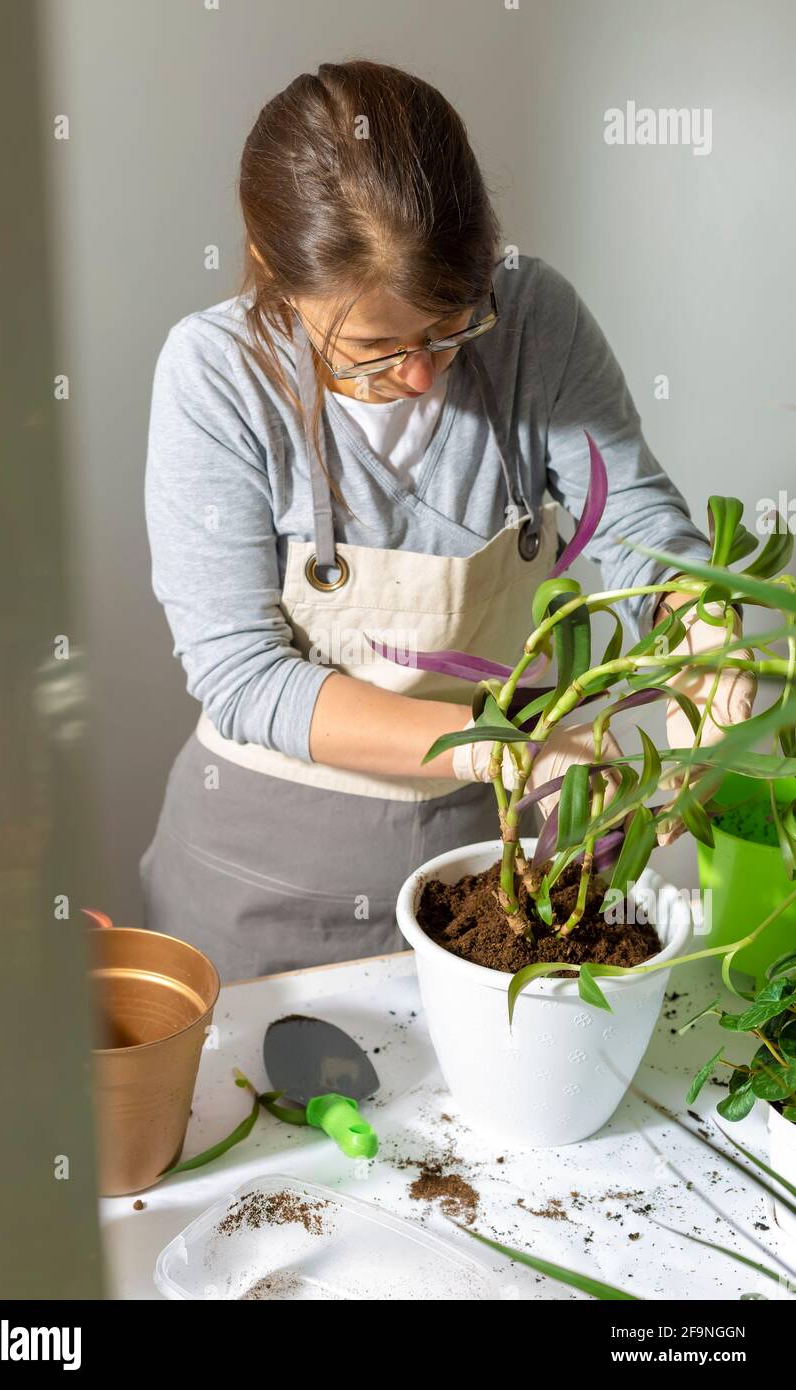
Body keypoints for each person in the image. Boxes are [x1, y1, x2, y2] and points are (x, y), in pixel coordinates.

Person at [140, 59, 751, 981]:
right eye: (373, 349)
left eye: (449, 327)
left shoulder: (533, 315)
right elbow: (240, 675)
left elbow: (632, 519)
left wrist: (701, 634)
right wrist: (512, 742)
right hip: (262, 880)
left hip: (481, 866)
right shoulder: (214, 375)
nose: (422, 374)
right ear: (273, 273)